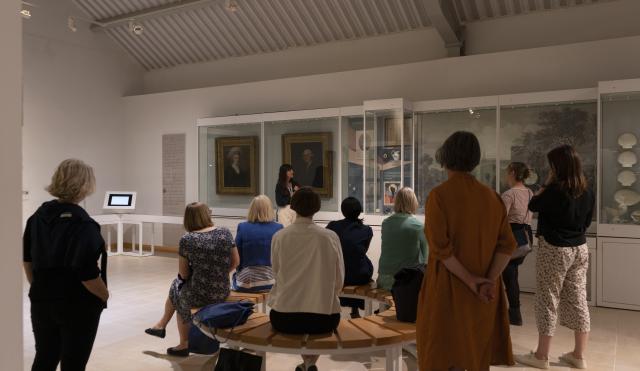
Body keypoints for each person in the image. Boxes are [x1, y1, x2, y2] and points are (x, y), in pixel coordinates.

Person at [416, 131, 516, 371]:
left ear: (445, 157)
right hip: (483, 293)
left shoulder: (439, 196)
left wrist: (472, 281)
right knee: (475, 354)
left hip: (448, 288)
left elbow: (442, 249)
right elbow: (507, 246)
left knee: (441, 353)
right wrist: (487, 281)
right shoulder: (492, 197)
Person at [23, 159, 109, 371]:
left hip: (42, 299)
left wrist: (41, 286)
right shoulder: (84, 224)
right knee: (74, 363)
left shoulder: (37, 217)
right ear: (85, 185)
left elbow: (27, 260)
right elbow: (86, 273)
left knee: (45, 357)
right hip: (77, 304)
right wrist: (103, 294)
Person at [515, 145, 595, 370]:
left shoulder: (554, 190)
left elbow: (533, 205)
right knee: (579, 298)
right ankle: (579, 356)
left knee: (547, 299)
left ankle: (541, 356)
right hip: (580, 248)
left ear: (556, 166)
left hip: (555, 249)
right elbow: (587, 222)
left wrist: (547, 184)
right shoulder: (587, 190)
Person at [145, 202, 239, 357]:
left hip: (199, 294)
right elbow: (236, 262)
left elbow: (184, 274)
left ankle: (181, 342)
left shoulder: (188, 239)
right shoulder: (225, 232)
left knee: (178, 290)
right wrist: (219, 273)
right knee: (177, 287)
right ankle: (161, 325)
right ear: (206, 214)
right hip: (222, 290)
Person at [268, 187, 344, 371]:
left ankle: (308, 363)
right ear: (316, 208)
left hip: (284, 317)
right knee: (316, 324)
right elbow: (339, 280)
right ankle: (310, 363)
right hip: (324, 318)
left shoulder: (279, 236)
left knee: (299, 323)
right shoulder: (330, 237)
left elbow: (276, 272)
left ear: (294, 207)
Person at [326, 197, 373, 318]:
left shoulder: (332, 226)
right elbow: (363, 251)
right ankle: (355, 309)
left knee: (347, 261)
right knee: (358, 262)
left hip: (337, 273)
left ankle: (345, 308)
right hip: (359, 275)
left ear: (343, 210)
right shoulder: (366, 230)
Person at [501, 162, 534, 326]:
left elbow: (500, 219)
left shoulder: (509, 194)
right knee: (512, 274)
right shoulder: (529, 192)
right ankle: (513, 312)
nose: (506, 177)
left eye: (507, 173)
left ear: (513, 173)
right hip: (526, 237)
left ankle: (514, 313)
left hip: (513, 236)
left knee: (509, 275)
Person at [376, 187, 427, 291]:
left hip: (384, 278)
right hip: (406, 281)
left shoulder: (386, 223)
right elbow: (426, 256)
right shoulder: (418, 226)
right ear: (413, 202)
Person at [232, 195, 283, 292]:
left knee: (234, 277)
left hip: (247, 281)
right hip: (272, 280)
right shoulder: (278, 227)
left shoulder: (243, 227)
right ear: (269, 209)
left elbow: (237, 258)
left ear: (252, 209)